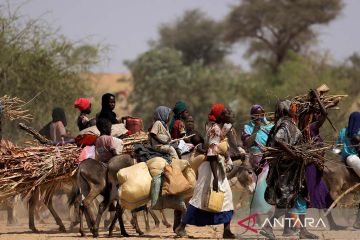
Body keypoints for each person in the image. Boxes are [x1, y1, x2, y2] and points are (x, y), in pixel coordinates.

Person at [175, 103, 235, 239]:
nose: (227, 113)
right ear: (220, 115)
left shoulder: (219, 127)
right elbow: (212, 154)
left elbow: (230, 123)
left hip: (215, 166)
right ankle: (181, 226)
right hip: (210, 167)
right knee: (199, 198)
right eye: (224, 112)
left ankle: (226, 230)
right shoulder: (215, 129)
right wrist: (214, 179)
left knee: (227, 197)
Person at [260, 100, 318, 239]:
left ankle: (302, 230)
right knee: (285, 201)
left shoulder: (288, 122)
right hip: (286, 171)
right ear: (287, 110)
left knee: (301, 195)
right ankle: (268, 227)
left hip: (294, 170)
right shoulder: (285, 123)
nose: (295, 108)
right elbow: (278, 140)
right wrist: (293, 155)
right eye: (292, 107)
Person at [304, 90, 346, 230]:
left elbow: (322, 112)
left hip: (316, 167)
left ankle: (332, 224)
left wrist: (328, 103)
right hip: (310, 167)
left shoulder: (312, 130)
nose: (319, 117)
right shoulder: (310, 128)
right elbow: (324, 114)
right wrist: (320, 100)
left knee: (324, 196)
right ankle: (294, 226)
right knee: (308, 197)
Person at [241, 104, 274, 224]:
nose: (259, 116)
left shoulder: (269, 126)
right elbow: (247, 144)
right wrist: (256, 128)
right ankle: (259, 219)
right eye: (256, 114)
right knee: (255, 189)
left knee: (263, 187)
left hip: (266, 160)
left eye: (261, 114)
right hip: (253, 161)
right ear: (252, 115)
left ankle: (267, 218)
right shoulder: (247, 127)